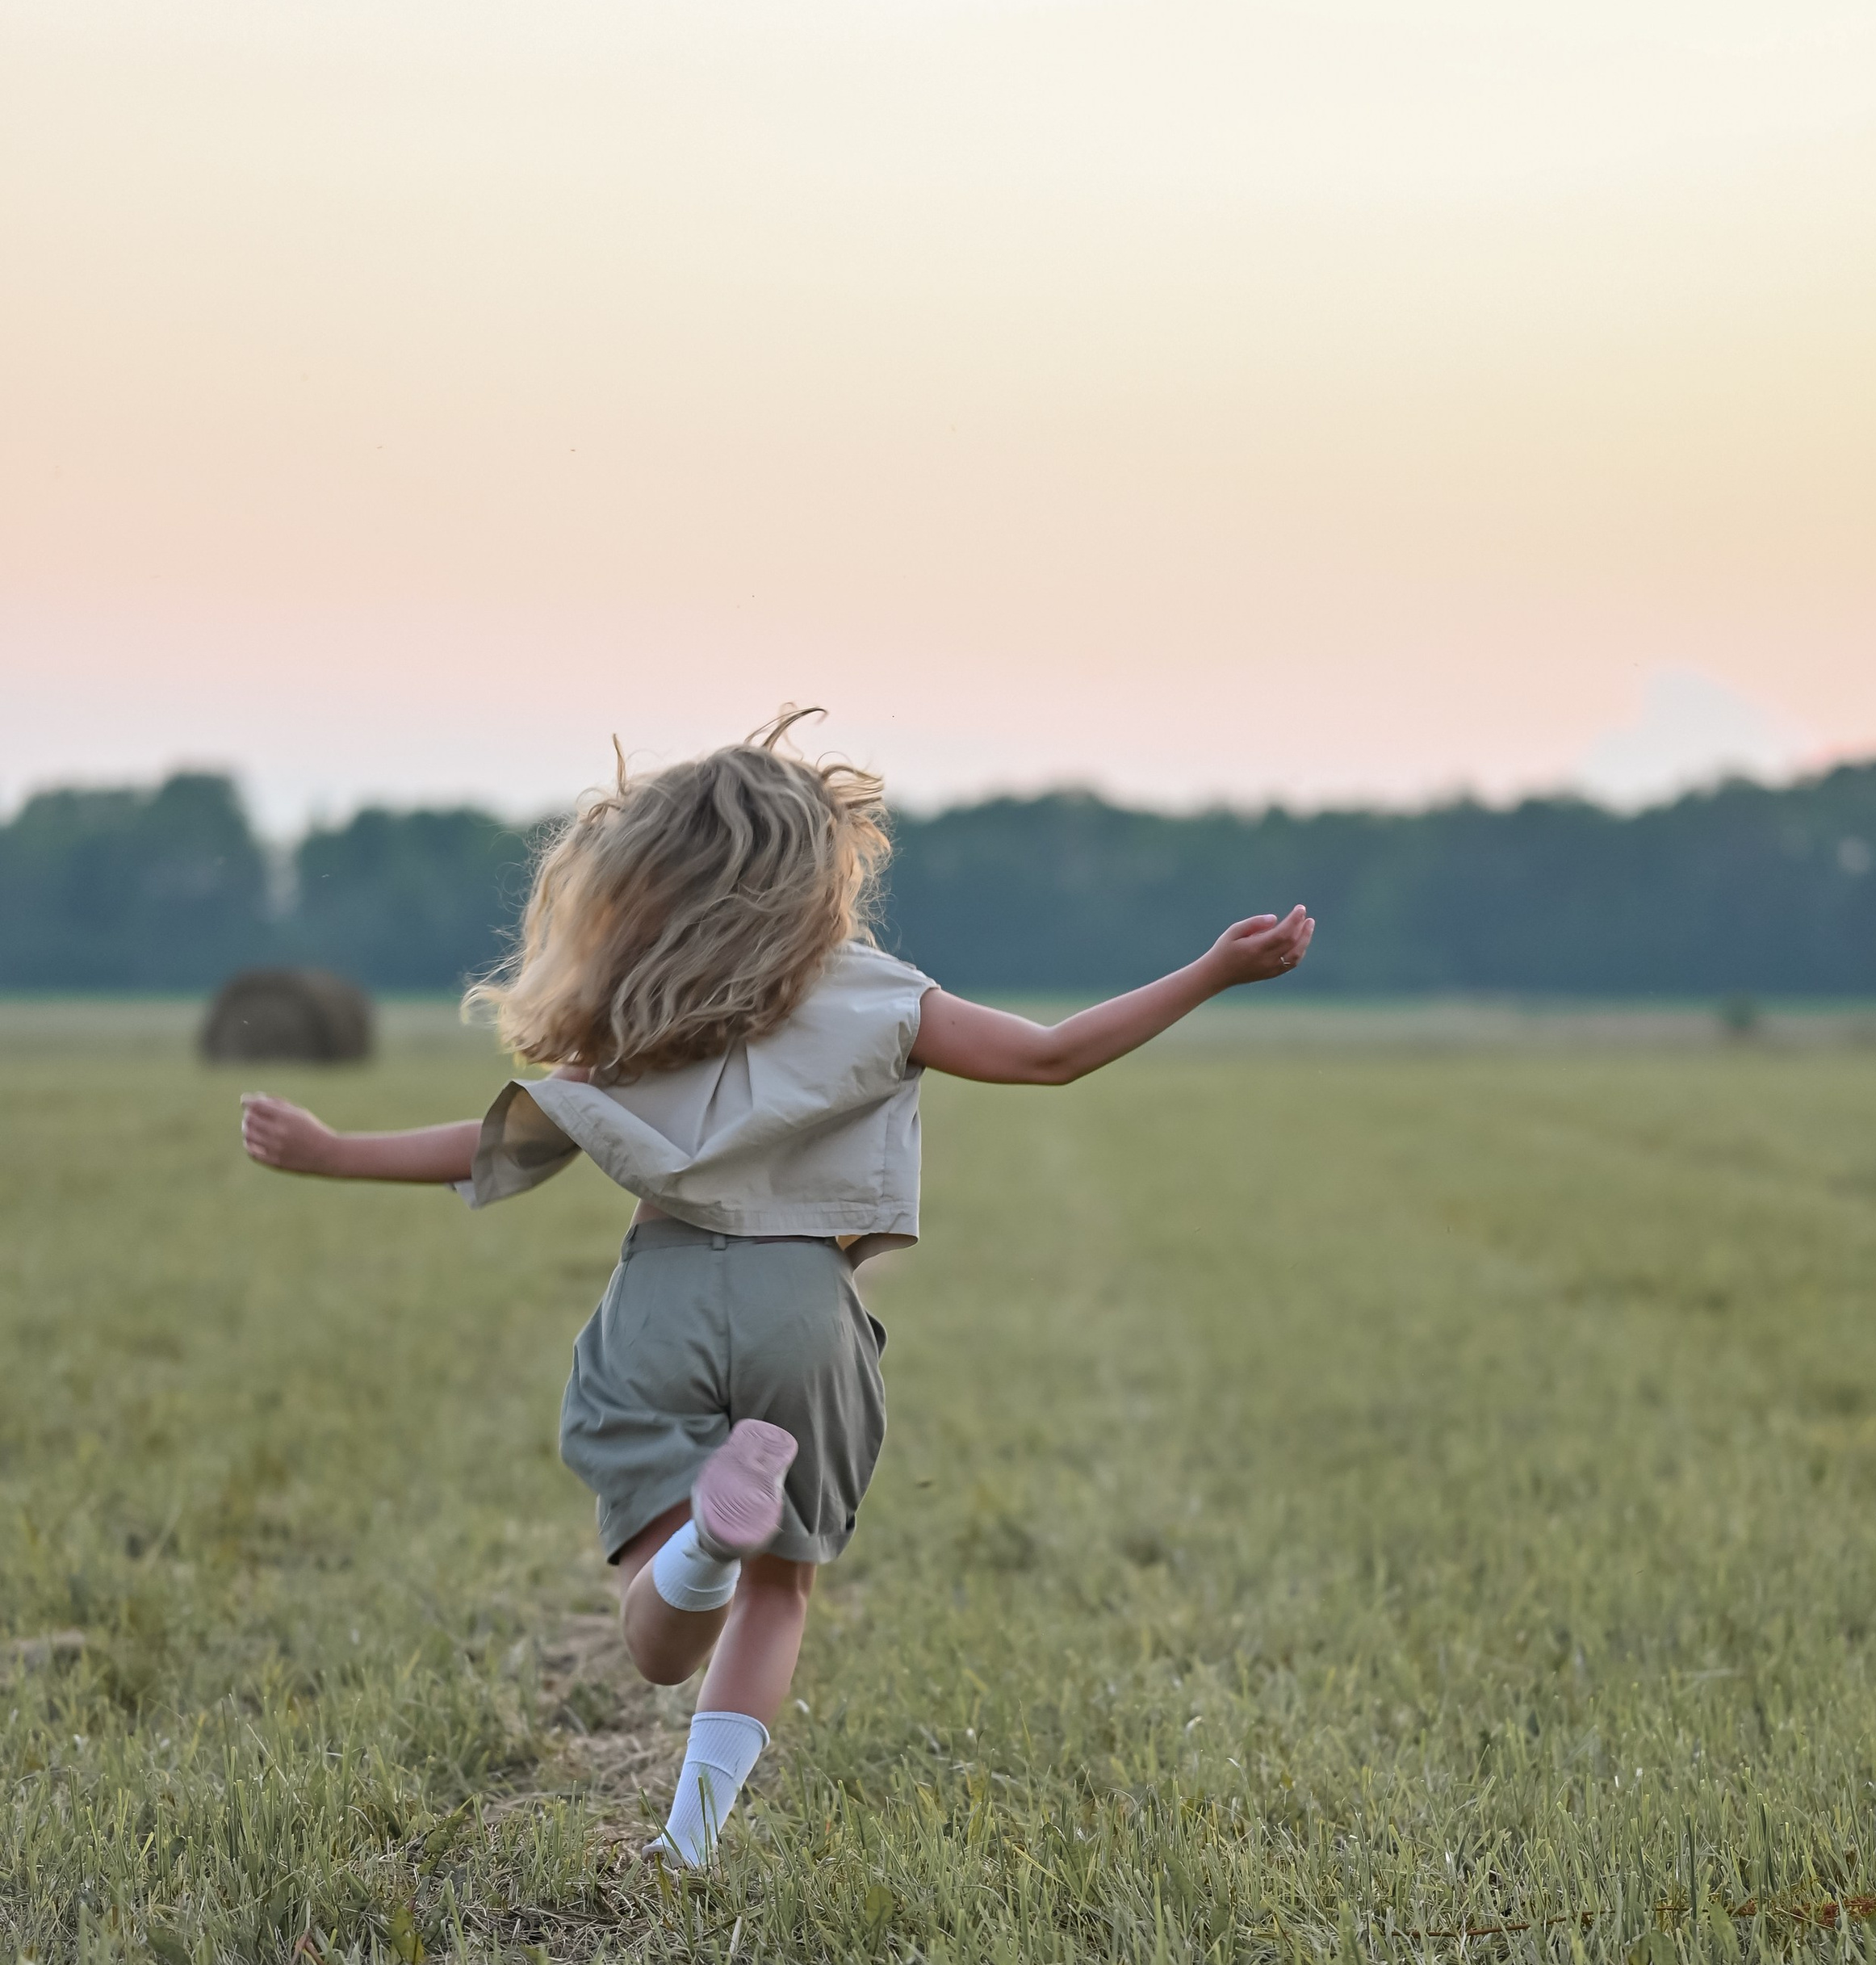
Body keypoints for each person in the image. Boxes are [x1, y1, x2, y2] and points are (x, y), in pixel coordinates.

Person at [240, 714, 1313, 1867]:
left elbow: (504, 1141)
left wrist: (327, 1149)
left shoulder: (639, 1003)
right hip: (805, 1306)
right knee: (781, 1592)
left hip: (662, 1296)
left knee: (659, 1638)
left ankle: (704, 1533)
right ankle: (690, 1841)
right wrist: (1213, 970)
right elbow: (1051, 1056)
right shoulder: (878, 994)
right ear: (818, 875)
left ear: (652, 872)